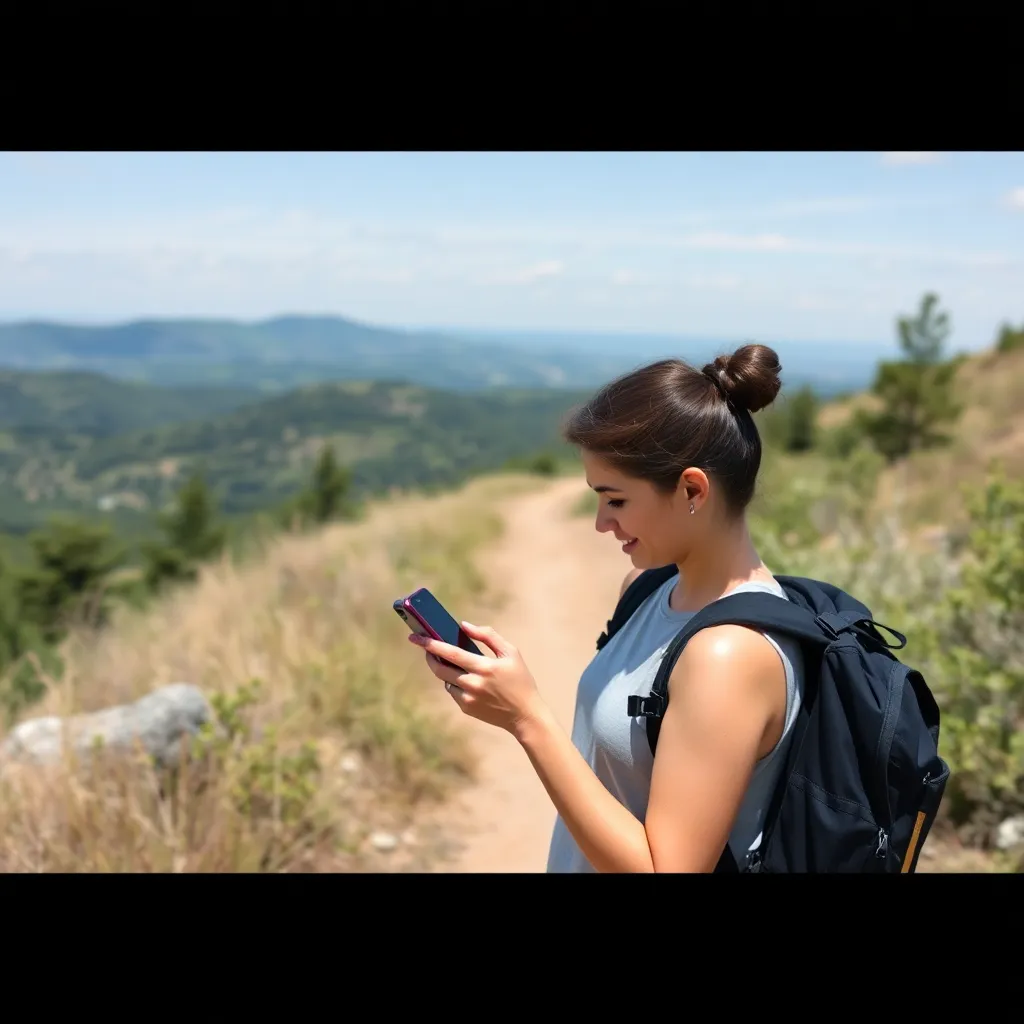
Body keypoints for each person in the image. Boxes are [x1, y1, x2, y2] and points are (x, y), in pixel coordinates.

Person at [406, 343, 804, 873]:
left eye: (615, 500)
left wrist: (526, 718)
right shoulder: (644, 589)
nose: (600, 522)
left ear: (691, 489)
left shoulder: (729, 655)